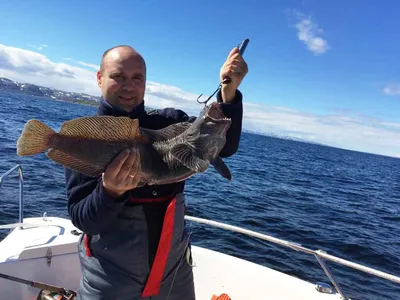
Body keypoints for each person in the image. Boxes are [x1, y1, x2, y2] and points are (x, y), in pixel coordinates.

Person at [64, 44, 248, 299]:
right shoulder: (85, 140)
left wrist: (229, 94)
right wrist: (109, 192)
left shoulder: (170, 122)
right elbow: (83, 219)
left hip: (175, 274)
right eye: (119, 77)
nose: (129, 86)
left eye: (137, 78)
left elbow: (221, 147)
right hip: (109, 282)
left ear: (146, 83)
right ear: (99, 78)